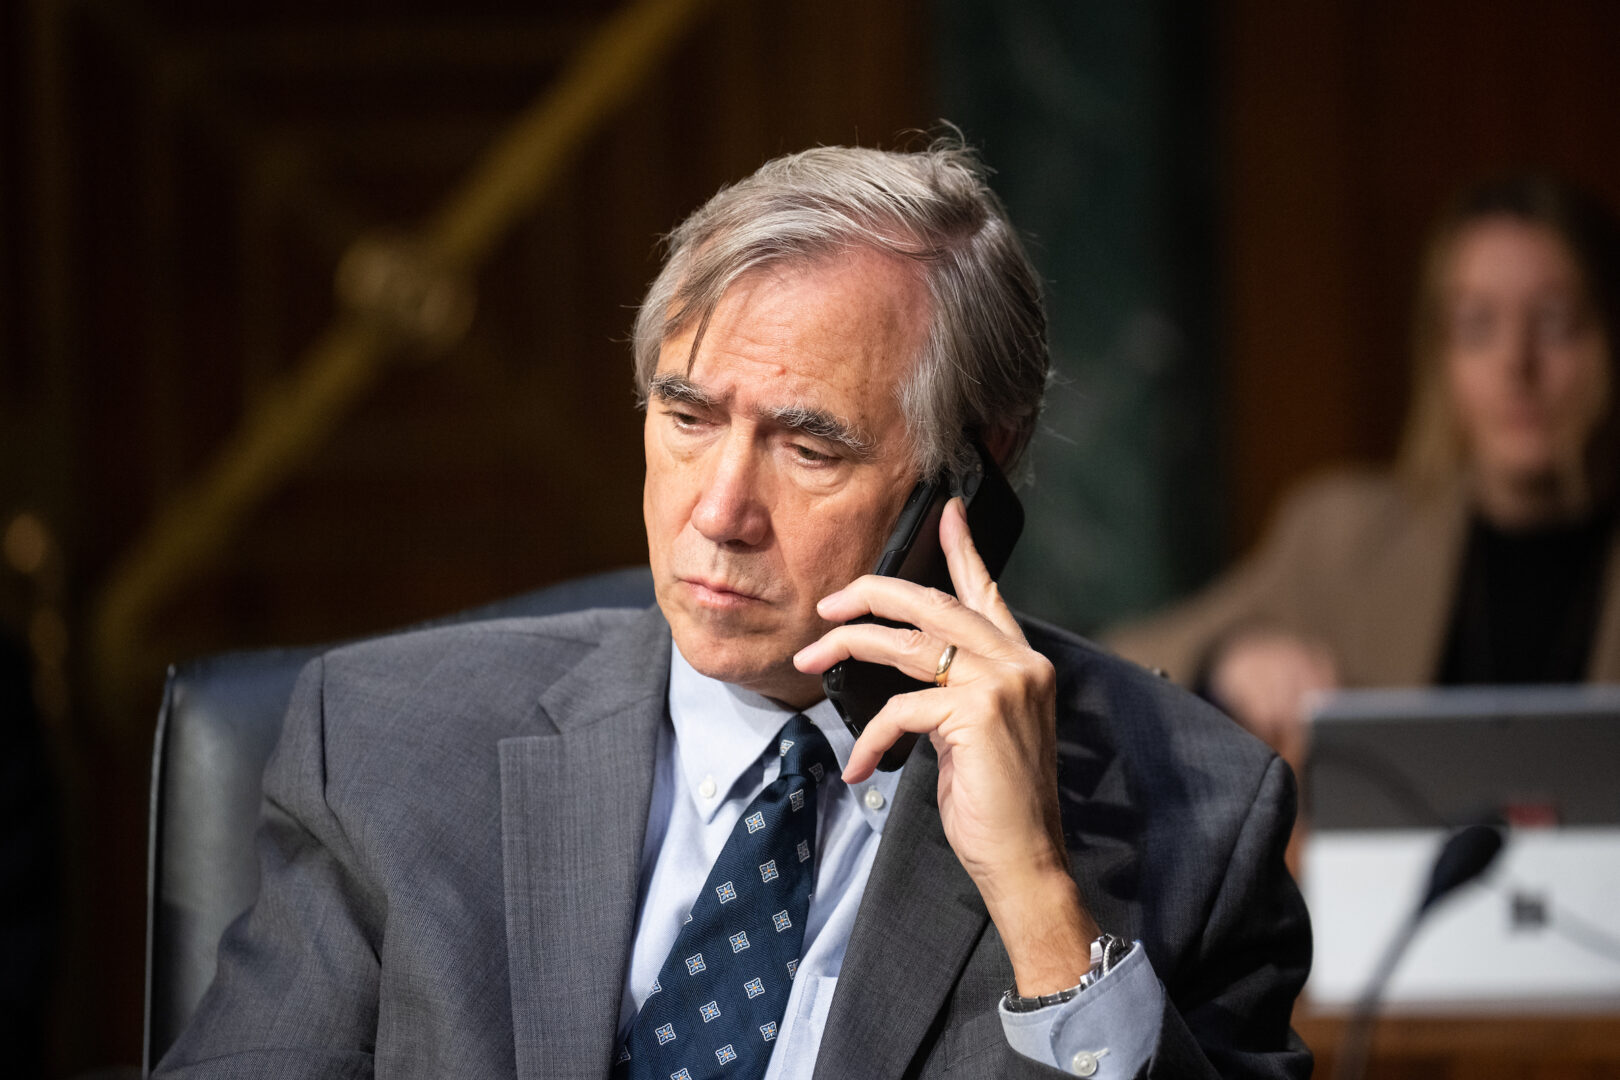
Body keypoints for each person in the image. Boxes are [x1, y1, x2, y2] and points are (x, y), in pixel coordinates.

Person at [155, 141, 1310, 1079]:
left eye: (810, 446)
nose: (719, 511)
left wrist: (1041, 903)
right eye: (688, 416)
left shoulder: (1194, 817)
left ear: (973, 471)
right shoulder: (387, 748)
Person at [1108, 175, 1620, 773]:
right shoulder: (1346, 541)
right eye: (1478, 325)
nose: (1516, 363)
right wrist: (1228, 659)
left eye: (1556, 322)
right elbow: (1123, 655)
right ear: (1440, 355)